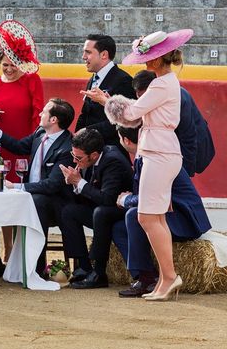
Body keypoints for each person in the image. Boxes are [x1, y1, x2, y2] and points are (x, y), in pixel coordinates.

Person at [104, 29, 194, 301]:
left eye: (147, 58)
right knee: (153, 217)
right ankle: (166, 278)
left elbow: (131, 113)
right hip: (159, 150)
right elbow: (137, 115)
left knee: (147, 217)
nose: (144, 63)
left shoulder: (160, 84)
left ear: (156, 60)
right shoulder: (166, 83)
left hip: (158, 152)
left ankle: (168, 276)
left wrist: (108, 101)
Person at [0, 98, 75, 278]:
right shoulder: (40, 133)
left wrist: (18, 186)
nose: (40, 113)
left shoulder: (67, 147)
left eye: (44, 111)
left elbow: (52, 185)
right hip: (26, 196)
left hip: (53, 204)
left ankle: (37, 268)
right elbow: (18, 147)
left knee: (38, 200)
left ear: (53, 120)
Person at [111, 126, 211, 297]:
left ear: (126, 140)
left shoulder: (154, 159)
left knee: (133, 215)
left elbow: (149, 198)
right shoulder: (143, 157)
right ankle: (146, 276)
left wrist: (124, 200)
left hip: (184, 220)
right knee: (119, 227)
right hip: (167, 214)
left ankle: (147, 278)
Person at [0, 20, 44, 261]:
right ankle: (7, 246)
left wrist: (33, 147)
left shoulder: (32, 81)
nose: (9, 69)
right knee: (0, 197)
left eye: (13, 65)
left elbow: (38, 113)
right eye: (4, 65)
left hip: (24, 147)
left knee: (21, 197)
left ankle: (21, 247)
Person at [59, 128, 133, 289]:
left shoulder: (113, 160)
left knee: (101, 213)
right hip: (102, 207)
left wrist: (79, 183)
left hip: (123, 209)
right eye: (73, 156)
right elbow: (88, 195)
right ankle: (83, 266)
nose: (75, 161)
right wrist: (74, 184)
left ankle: (99, 273)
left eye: (78, 158)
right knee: (69, 211)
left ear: (93, 155)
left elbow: (108, 199)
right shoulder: (88, 160)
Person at [132, 70, 214, 177]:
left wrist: (185, 173)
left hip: (192, 148)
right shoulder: (159, 94)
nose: (143, 100)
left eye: (144, 96)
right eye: (139, 97)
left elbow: (188, 137)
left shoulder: (177, 98)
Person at [76, 34, 135, 152]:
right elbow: (85, 112)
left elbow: (123, 120)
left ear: (104, 55)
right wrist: (77, 138)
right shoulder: (93, 79)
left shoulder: (123, 80)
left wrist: (87, 131)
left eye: (88, 52)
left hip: (110, 151)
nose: (83, 57)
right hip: (88, 150)